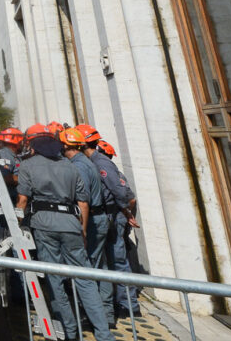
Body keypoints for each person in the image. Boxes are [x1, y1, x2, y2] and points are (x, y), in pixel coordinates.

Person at [16, 123, 115, 341]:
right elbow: (83, 203)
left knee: (54, 279)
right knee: (85, 278)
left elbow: (22, 201)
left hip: (44, 226)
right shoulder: (71, 166)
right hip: (72, 225)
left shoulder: (27, 166)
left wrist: (17, 223)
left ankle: (69, 331)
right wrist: (82, 230)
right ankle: (104, 334)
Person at [77, 125, 141, 319]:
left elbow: (120, 191)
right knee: (107, 260)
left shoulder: (100, 163)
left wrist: (124, 211)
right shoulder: (91, 161)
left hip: (112, 216)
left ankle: (128, 305)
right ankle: (115, 303)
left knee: (118, 260)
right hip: (110, 214)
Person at [60, 127, 114, 326]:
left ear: (67, 146)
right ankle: (107, 315)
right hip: (98, 219)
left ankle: (94, 317)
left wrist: (81, 230)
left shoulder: (79, 167)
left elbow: (83, 201)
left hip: (91, 221)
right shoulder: (84, 161)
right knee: (100, 266)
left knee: (87, 268)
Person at [0, 127, 24, 212]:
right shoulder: (4, 155)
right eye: (21, 141)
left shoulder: (13, 155)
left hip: (12, 197)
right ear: (15, 142)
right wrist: (27, 179)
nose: (22, 144)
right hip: (7, 200)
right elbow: (5, 178)